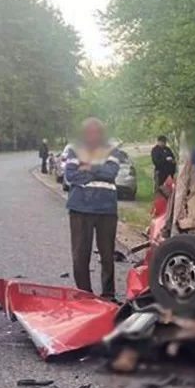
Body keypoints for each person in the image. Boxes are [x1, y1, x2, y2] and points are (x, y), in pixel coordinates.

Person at [64, 118, 120, 301]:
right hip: (80, 207)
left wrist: (89, 167)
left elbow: (111, 173)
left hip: (107, 208)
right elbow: (71, 175)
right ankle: (84, 294)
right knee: (80, 254)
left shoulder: (111, 149)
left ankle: (108, 295)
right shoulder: (74, 149)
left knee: (107, 254)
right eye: (88, 131)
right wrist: (98, 170)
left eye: (96, 131)